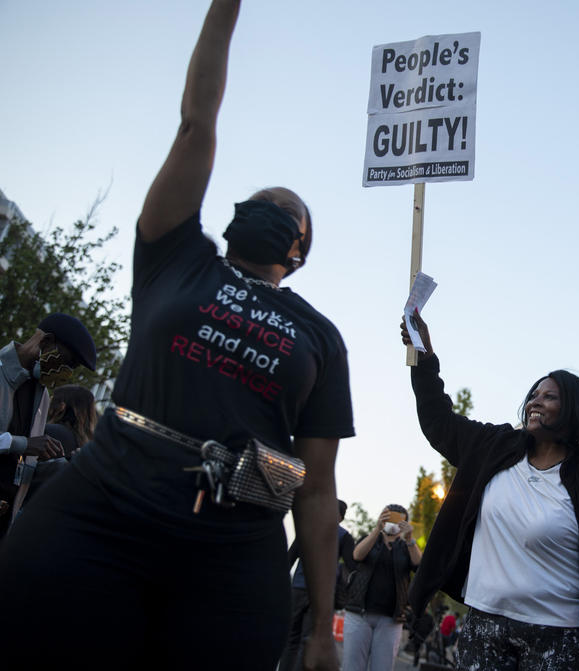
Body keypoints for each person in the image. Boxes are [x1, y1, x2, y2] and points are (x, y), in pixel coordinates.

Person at [0, 3, 354, 670]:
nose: (271, 211)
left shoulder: (320, 335)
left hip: (231, 551)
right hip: (107, 503)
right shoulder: (176, 256)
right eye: (263, 200)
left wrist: (320, 634)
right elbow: (198, 122)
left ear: (300, 251)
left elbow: (314, 485)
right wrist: (225, 8)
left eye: (288, 213)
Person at [400, 311, 579, 671]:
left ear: (572, 409)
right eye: (534, 394)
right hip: (484, 626)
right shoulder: (494, 445)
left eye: (549, 397)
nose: (535, 401)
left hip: (560, 638)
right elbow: (438, 420)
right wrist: (425, 357)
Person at [0, 313, 97, 535]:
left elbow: (22, 469)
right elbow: (21, 447)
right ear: (45, 342)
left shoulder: (41, 396)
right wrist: (22, 444)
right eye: (67, 362)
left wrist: (70, 464)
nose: (67, 374)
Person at [281, 499, 358, 671]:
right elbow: (352, 566)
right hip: (322, 594)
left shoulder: (307, 528)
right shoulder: (344, 536)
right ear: (341, 517)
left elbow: (289, 558)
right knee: (307, 639)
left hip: (298, 588)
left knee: (290, 639)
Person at [343, 504, 421, 671]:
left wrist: (409, 539)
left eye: (398, 520)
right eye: (389, 518)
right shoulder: (370, 539)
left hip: (391, 619)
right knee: (352, 666)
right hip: (359, 613)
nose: (392, 523)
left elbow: (419, 564)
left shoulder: (406, 547)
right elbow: (357, 555)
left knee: (383, 667)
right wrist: (377, 529)